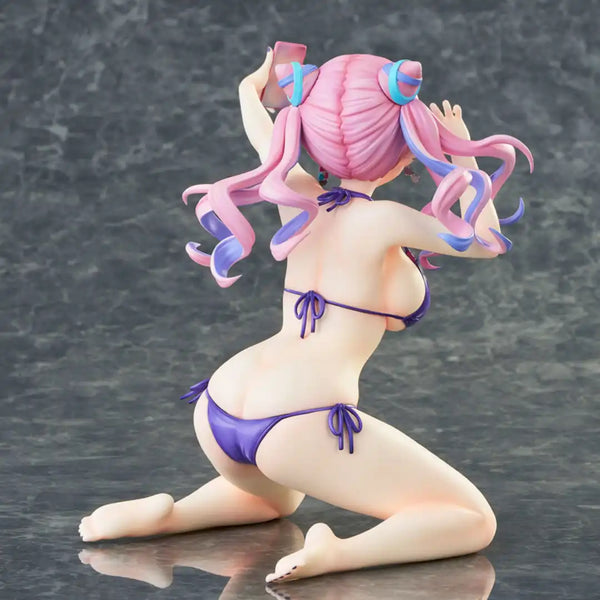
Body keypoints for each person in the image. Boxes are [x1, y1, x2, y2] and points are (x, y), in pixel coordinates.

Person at [79, 47, 533, 583]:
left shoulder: (295, 194)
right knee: (471, 518)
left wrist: (251, 87)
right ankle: (338, 553)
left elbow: (262, 134)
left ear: (310, 136)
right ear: (406, 147)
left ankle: (169, 515)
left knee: (273, 500)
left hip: (220, 403)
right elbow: (485, 241)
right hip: (299, 417)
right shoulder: (385, 219)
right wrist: (463, 156)